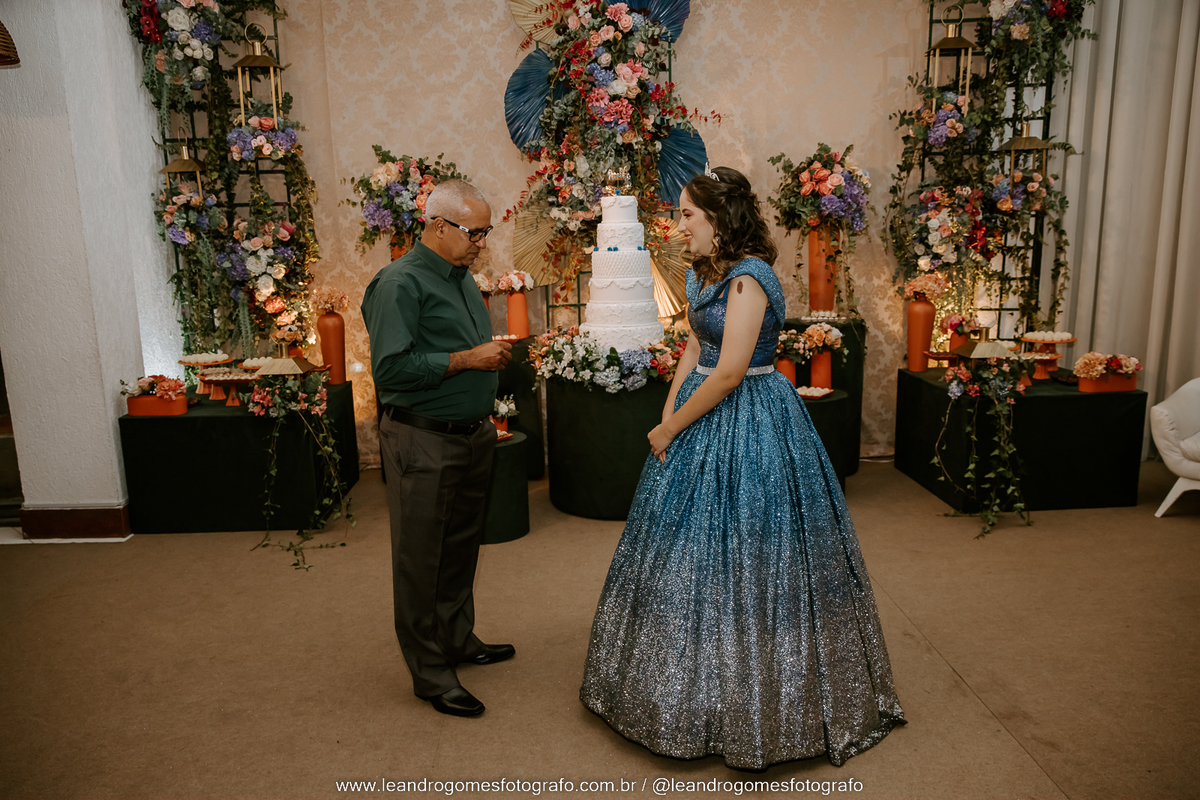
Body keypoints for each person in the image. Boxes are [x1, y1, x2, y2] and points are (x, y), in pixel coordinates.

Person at [579, 166, 905, 769]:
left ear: (719, 217)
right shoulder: (703, 271)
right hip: (699, 407)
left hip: (752, 411)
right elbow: (694, 347)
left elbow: (730, 371)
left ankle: (758, 696)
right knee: (683, 550)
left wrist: (671, 427)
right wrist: (670, 410)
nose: (679, 226)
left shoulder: (749, 278)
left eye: (687, 215)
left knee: (753, 544)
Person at [361, 179, 515, 718]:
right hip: (422, 438)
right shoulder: (398, 283)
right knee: (420, 557)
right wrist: (470, 360)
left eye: (486, 232)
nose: (482, 243)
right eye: (475, 233)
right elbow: (391, 369)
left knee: (460, 548)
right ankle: (429, 672)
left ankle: (455, 638)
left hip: (471, 436)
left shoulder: (462, 277)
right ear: (438, 226)